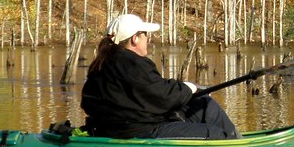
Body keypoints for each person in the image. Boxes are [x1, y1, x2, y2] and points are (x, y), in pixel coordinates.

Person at [81, 13, 238, 139]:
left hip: (131, 125)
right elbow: (163, 97)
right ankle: (233, 144)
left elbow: (151, 90)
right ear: (135, 39)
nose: (148, 39)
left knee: (203, 103)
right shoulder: (132, 63)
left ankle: (235, 139)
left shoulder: (103, 62)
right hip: (140, 131)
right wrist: (189, 88)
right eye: (145, 35)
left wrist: (189, 91)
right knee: (216, 134)